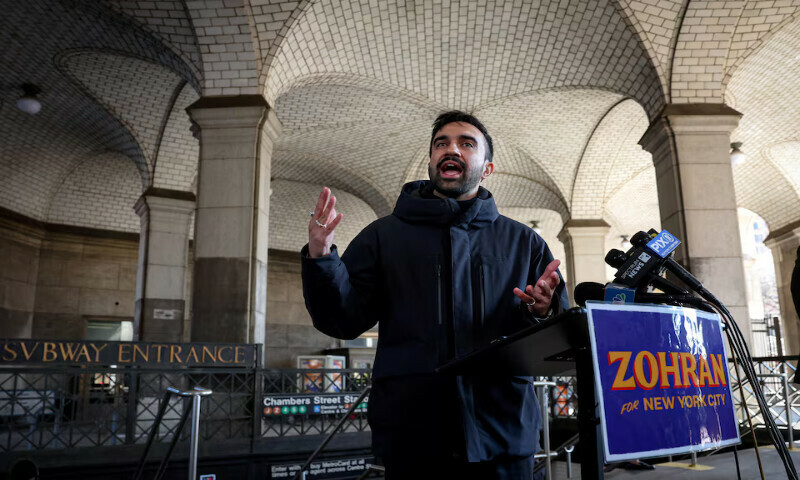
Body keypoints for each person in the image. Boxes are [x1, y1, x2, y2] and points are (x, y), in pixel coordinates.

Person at [301, 111, 569, 479]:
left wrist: (544, 311)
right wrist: (321, 258)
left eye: (466, 144)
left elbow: (554, 342)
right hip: (413, 435)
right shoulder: (383, 236)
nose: (451, 149)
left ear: (487, 169)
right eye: (441, 143)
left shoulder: (524, 243)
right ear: (431, 161)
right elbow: (342, 319)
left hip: (502, 433)